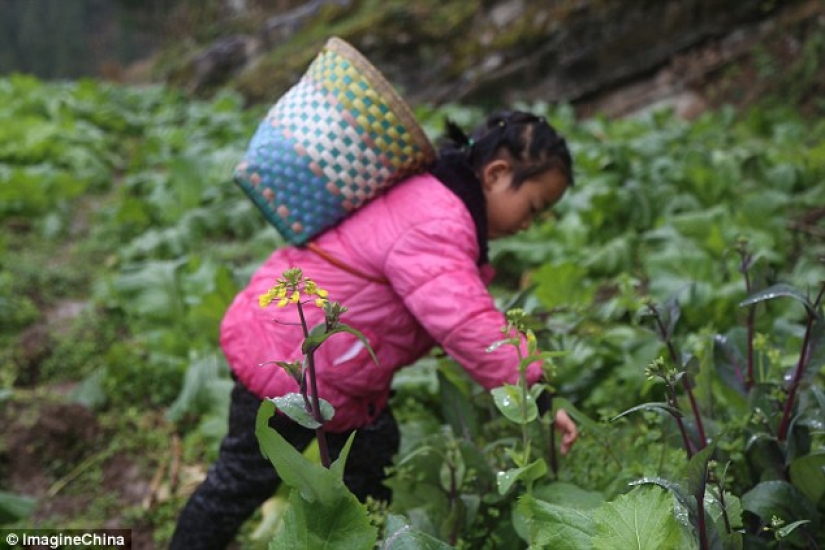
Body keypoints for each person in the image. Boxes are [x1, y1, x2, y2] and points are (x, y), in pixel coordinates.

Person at [170, 109, 579, 549]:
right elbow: (465, 321)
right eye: (533, 207)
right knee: (240, 482)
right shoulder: (439, 219)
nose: (526, 224)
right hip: (290, 359)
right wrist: (534, 392)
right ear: (497, 174)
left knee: (372, 455)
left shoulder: (430, 196)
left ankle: (363, 537)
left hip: (329, 369)